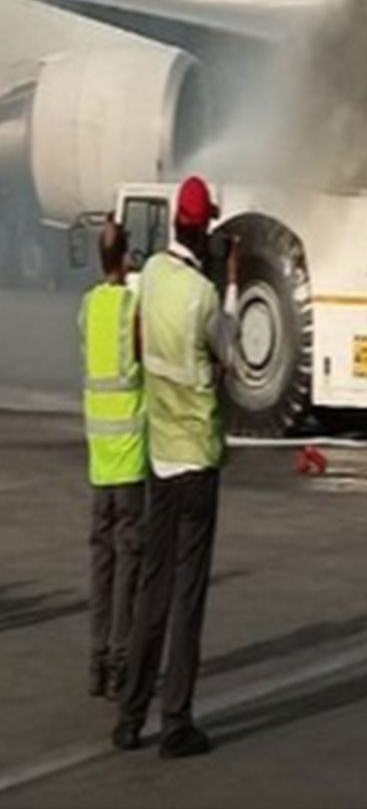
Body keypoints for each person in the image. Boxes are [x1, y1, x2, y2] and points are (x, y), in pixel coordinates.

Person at [114, 176, 238, 759]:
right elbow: (231, 357)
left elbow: (140, 346)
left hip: (158, 457)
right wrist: (230, 285)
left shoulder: (153, 278)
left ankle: (129, 714)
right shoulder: (203, 297)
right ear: (205, 227)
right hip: (197, 462)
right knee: (189, 597)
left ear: (172, 223)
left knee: (152, 589)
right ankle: (176, 722)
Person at [81, 220, 146, 701]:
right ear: (126, 259)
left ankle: (96, 660)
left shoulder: (88, 306)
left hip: (98, 457)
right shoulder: (131, 308)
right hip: (129, 456)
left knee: (100, 562)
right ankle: (122, 658)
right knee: (129, 564)